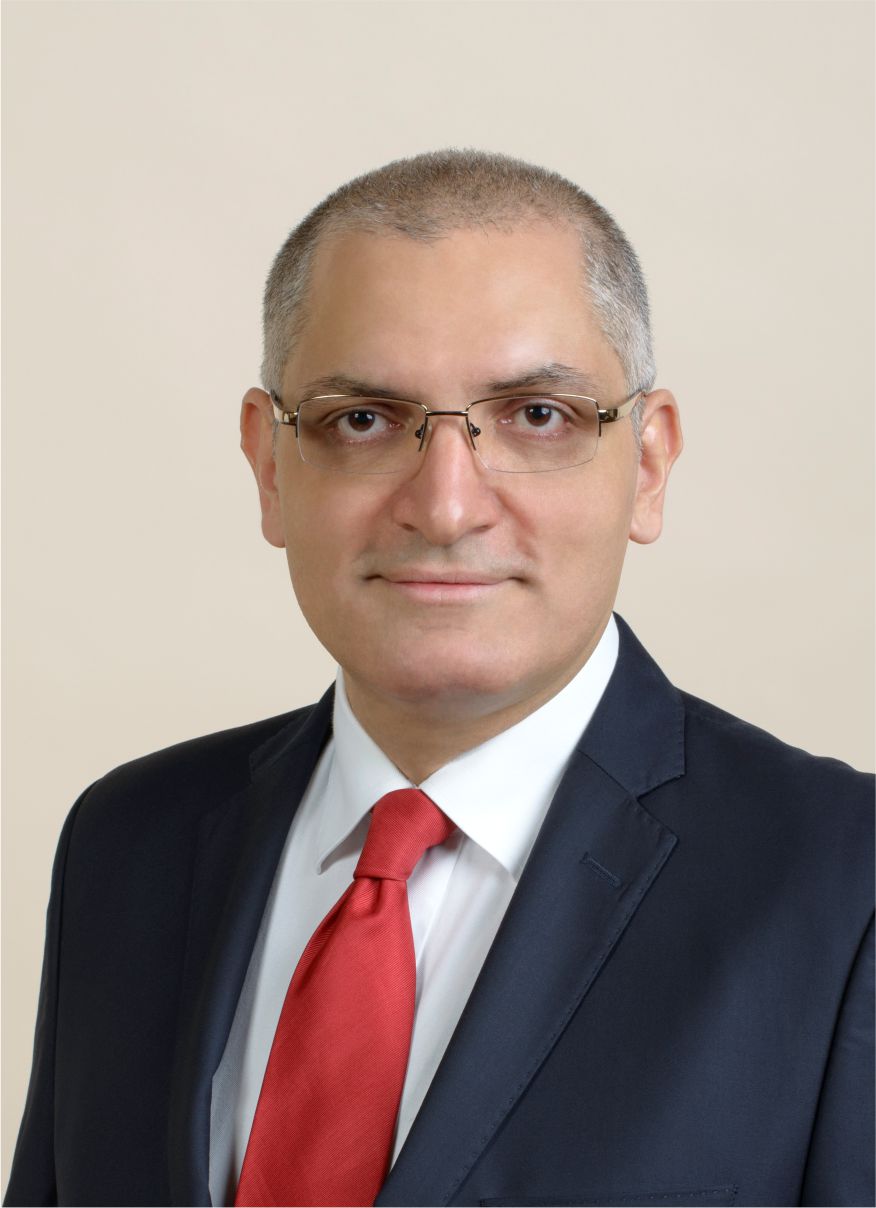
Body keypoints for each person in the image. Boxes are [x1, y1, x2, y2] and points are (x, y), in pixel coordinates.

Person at [5, 150, 873, 1208]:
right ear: (270, 466)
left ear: (647, 465)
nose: (447, 506)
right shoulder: (127, 841)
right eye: (362, 419)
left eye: (537, 415)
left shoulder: (845, 887)